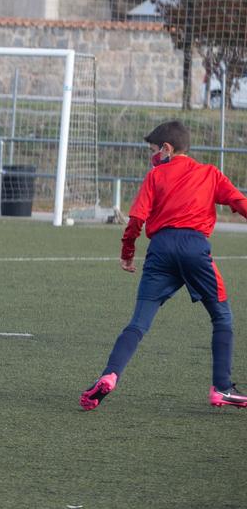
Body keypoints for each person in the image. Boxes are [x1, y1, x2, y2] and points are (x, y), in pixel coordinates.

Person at [80, 120, 247, 410]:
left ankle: (110, 375)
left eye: (154, 150)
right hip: (195, 249)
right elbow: (239, 202)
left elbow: (135, 219)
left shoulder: (155, 176)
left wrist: (128, 252)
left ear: (167, 149)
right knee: (222, 317)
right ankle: (222, 388)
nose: (152, 155)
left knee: (138, 323)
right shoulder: (210, 174)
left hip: (159, 251)